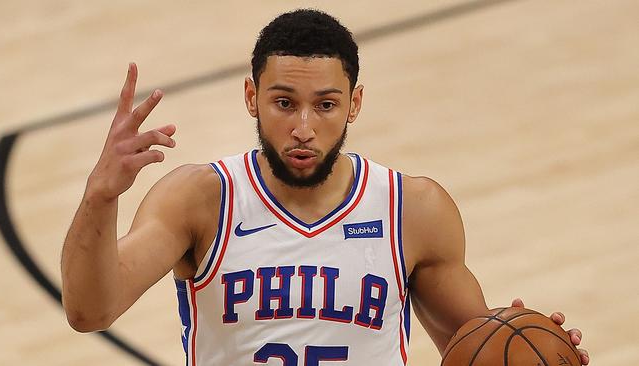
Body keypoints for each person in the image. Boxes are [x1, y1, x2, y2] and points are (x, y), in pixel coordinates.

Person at [61, 9, 589, 366]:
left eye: (327, 105)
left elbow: (472, 345)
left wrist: (532, 344)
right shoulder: (200, 199)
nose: (304, 128)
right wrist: (99, 197)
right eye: (285, 103)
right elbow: (90, 311)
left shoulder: (413, 209)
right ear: (252, 96)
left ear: (354, 104)